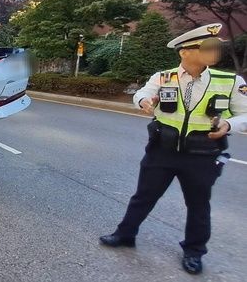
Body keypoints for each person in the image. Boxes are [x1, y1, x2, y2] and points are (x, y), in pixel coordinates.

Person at [99, 23, 247, 275]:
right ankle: (125, 234)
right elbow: (143, 94)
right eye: (207, 47)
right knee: (143, 196)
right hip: (162, 151)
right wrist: (144, 101)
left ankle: (194, 251)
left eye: (216, 47)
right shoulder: (164, 77)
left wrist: (228, 124)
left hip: (202, 154)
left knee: (199, 205)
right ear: (185, 52)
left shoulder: (230, 81)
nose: (215, 52)